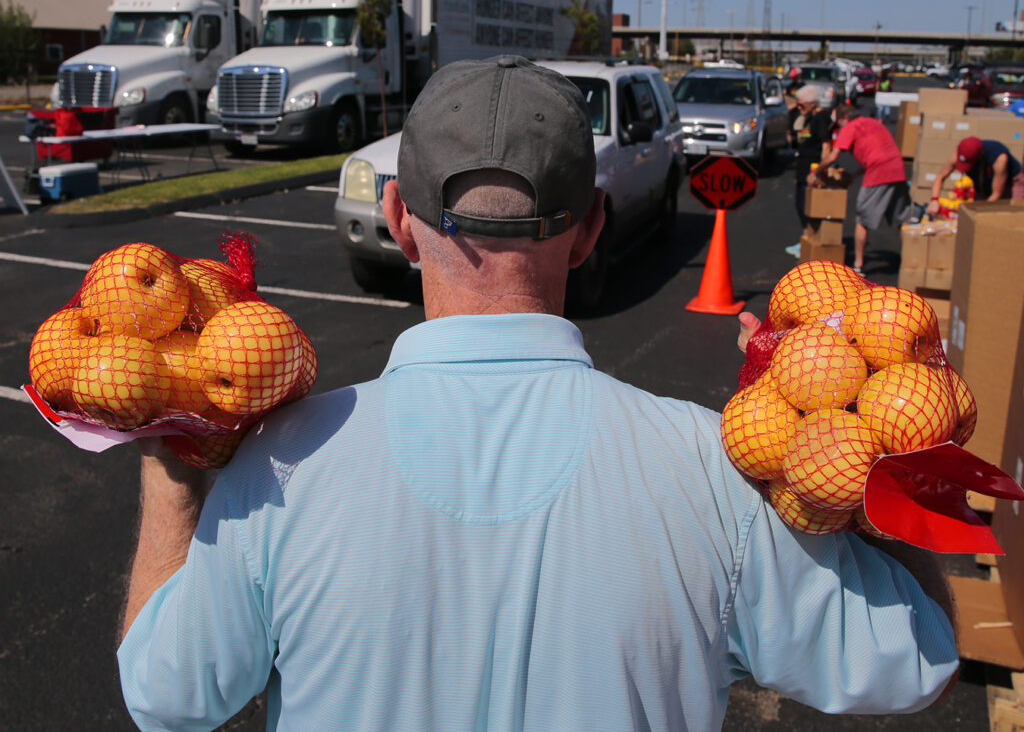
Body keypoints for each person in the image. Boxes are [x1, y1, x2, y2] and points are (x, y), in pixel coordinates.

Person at [117, 56, 958, 730]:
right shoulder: (715, 470)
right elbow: (913, 656)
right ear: (592, 225)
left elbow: (167, 694)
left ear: (401, 219)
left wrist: (170, 468)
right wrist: (877, 445)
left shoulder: (279, 465)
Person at [816, 103, 911, 274]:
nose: (838, 128)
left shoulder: (850, 127)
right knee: (902, 219)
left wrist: (815, 172)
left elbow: (833, 156)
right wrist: (853, 175)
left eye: (838, 124)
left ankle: (858, 265)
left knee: (862, 219)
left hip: (878, 174)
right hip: (898, 169)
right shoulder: (874, 123)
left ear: (844, 118)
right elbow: (877, 155)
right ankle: (910, 261)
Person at [785, 84, 833, 257]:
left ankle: (810, 240)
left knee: (808, 207)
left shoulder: (821, 118)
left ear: (812, 103)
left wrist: (819, 173)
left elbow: (826, 146)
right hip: (802, 168)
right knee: (800, 205)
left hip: (812, 170)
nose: (799, 108)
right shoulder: (808, 117)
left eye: (801, 105)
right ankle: (806, 239)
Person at [926, 135, 1024, 217]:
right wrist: (934, 200)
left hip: (1010, 181)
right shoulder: (960, 154)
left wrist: (979, 212)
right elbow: (940, 177)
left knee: (1013, 212)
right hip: (982, 181)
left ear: (980, 156)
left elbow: (996, 194)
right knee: (976, 214)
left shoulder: (999, 158)